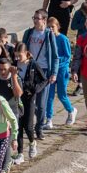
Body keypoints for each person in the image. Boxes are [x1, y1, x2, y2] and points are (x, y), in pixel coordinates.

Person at [21, 10, 59, 142]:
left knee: (42, 103)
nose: (35, 20)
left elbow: (55, 56)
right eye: (34, 18)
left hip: (44, 71)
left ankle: (39, 127)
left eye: (38, 18)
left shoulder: (48, 35)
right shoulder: (29, 33)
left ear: (44, 20)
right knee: (31, 101)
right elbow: (22, 50)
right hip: (30, 69)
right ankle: (28, 125)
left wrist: (54, 73)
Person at [43, 17, 76, 127]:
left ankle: (71, 110)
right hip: (51, 71)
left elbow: (67, 56)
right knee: (49, 96)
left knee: (62, 94)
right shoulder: (46, 38)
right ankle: (49, 119)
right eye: (48, 27)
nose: (51, 29)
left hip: (62, 70)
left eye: (53, 26)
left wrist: (56, 61)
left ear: (58, 27)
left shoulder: (63, 39)